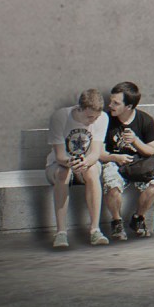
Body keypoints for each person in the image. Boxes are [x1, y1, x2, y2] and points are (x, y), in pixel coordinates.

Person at [45, 89, 110, 248]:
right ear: (79, 108)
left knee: (93, 170)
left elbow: (95, 153)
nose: (92, 121)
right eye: (89, 117)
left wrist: (85, 162)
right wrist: (71, 162)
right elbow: (60, 155)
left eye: (96, 117)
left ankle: (95, 230)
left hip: (86, 164)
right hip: (59, 164)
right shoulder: (60, 117)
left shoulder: (102, 118)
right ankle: (61, 232)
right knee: (63, 173)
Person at [100, 81, 154, 240]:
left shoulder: (145, 120)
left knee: (153, 186)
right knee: (112, 184)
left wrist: (135, 141)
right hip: (114, 161)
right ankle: (116, 221)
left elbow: (152, 150)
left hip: (139, 163)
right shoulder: (105, 120)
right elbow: (99, 153)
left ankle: (138, 218)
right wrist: (115, 157)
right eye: (111, 101)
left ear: (129, 106)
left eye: (116, 103)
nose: (110, 105)